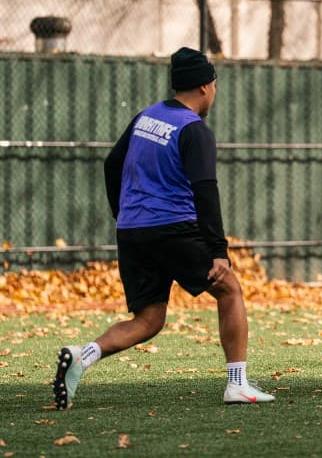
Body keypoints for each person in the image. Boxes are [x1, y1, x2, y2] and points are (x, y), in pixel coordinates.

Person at [52, 47, 274, 408]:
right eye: (215, 85)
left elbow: (112, 164)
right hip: (173, 228)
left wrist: (122, 214)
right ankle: (238, 384)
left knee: (149, 318)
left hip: (132, 231)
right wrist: (219, 252)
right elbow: (205, 190)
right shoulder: (194, 130)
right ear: (205, 87)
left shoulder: (147, 116)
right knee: (229, 289)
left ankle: (82, 356)